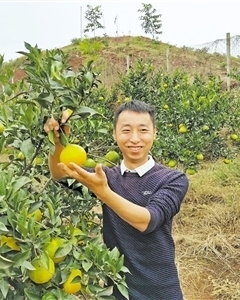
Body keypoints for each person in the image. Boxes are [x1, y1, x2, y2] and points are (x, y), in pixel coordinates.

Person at [44, 100, 189, 300]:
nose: (135, 139)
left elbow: (147, 221)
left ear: (155, 133)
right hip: (118, 290)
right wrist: (59, 140)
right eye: (126, 130)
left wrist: (103, 193)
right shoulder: (105, 177)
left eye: (143, 130)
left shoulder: (172, 179)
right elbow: (60, 174)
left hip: (161, 289)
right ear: (114, 134)